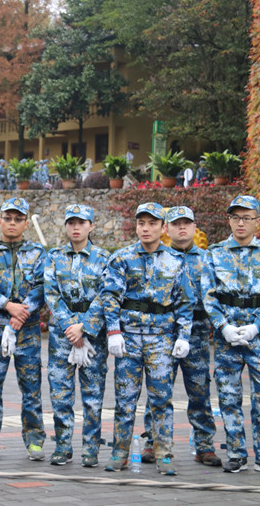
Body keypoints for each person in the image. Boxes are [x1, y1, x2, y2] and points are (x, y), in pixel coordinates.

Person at [101, 202, 193, 475]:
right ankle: (120, 453)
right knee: (125, 399)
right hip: (129, 339)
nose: (146, 228)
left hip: (161, 339)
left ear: (163, 228)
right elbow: (110, 297)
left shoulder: (176, 260)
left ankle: (164, 454)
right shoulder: (122, 258)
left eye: (152, 223)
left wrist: (183, 336)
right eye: (141, 223)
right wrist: (113, 331)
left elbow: (184, 302)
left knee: (162, 400)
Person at [141, 206, 221, 467]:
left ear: (195, 227)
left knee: (199, 390)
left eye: (187, 223)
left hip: (197, 332)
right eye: (176, 224)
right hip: (164, 331)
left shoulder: (208, 259)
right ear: (167, 229)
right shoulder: (158, 257)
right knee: (159, 389)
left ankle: (204, 445)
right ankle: (153, 441)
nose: (182, 228)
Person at [0, 197, 46, 461]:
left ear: (26, 223)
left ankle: (35, 440)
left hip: (27, 330)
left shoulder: (38, 253)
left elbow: (43, 286)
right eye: (8, 218)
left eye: (18, 219)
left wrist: (21, 313)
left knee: (31, 387)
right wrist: (7, 305)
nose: (12, 223)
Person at [44, 204, 109, 467]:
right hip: (62, 336)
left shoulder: (104, 258)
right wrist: (71, 327)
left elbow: (106, 296)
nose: (76, 227)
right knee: (61, 394)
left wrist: (84, 327)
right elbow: (51, 294)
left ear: (91, 226)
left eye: (81, 223)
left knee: (93, 395)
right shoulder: (54, 257)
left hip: (93, 337)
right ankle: (62, 445)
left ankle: (91, 449)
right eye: (71, 222)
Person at [202, 195, 260, 473]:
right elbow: (207, 295)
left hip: (258, 334)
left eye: (246, 218)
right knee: (228, 397)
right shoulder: (215, 253)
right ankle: (236, 453)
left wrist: (257, 326)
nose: (240, 223)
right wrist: (223, 327)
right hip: (228, 337)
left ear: (257, 221)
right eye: (235, 217)